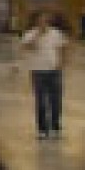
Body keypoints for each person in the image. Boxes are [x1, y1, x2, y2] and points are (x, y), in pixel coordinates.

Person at [22, 10, 67, 138]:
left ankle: (55, 127)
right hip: (38, 71)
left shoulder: (56, 33)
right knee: (40, 101)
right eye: (41, 19)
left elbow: (63, 47)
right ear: (36, 20)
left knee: (56, 101)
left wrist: (62, 63)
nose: (44, 21)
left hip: (54, 71)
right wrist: (38, 35)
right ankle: (42, 129)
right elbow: (27, 47)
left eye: (46, 19)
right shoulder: (30, 34)